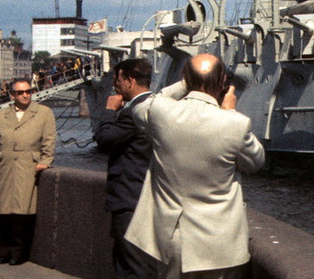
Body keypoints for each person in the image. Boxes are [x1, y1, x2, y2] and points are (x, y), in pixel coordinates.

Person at [126, 54, 265, 279]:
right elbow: (256, 162)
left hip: (170, 237)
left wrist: (189, 83)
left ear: (185, 78)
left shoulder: (160, 111)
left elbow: (142, 104)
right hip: (219, 244)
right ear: (223, 83)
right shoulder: (236, 124)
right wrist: (230, 111)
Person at [95, 58, 158, 279]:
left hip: (129, 197)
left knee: (130, 263)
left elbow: (104, 139)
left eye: (117, 80)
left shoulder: (134, 112)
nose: (114, 85)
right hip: (148, 194)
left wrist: (110, 110)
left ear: (130, 81)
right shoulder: (156, 104)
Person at [0, 78, 56, 265]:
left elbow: (49, 140)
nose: (25, 95)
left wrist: (46, 161)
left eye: (28, 91)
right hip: (4, 167)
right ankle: (2, 252)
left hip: (27, 167)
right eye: (21, 92)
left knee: (22, 215)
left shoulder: (43, 113)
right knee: (3, 213)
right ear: (12, 95)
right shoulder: (1, 115)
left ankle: (18, 254)